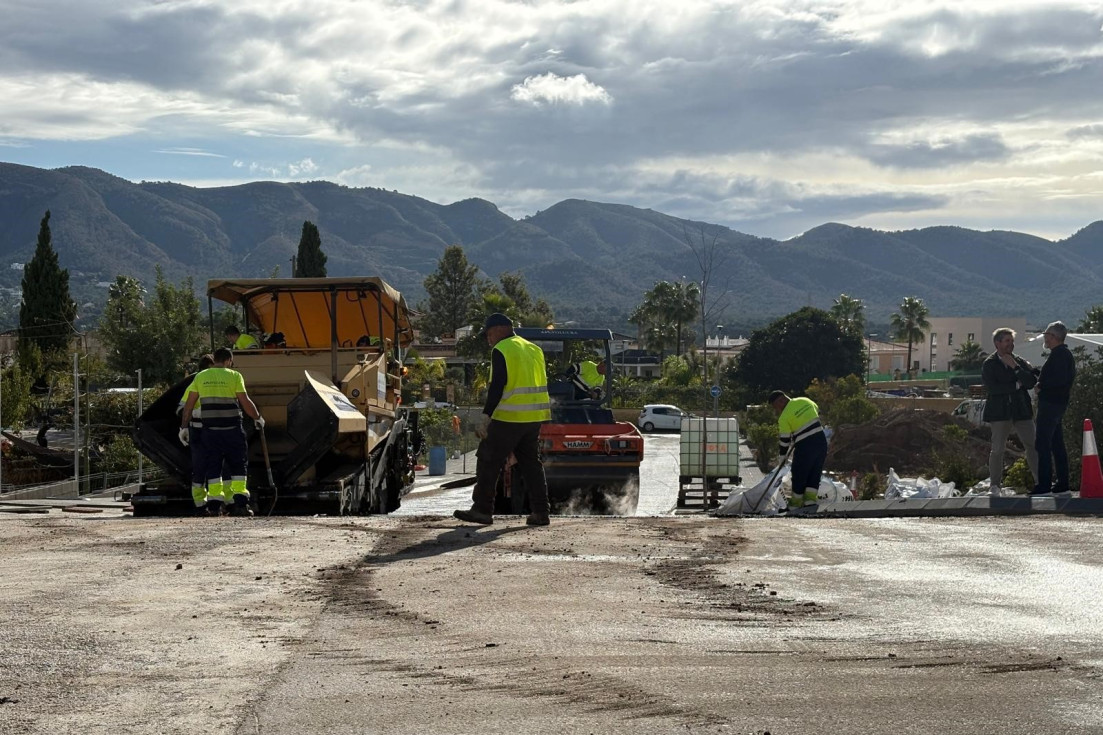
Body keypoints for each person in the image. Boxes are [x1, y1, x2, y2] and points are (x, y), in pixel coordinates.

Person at [454, 313, 552, 527]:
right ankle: (541, 512)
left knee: (488, 460)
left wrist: (486, 416)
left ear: (500, 329)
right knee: (531, 466)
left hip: (509, 417)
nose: (488, 339)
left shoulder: (502, 349)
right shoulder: (534, 349)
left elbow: (497, 385)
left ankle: (482, 509)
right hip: (534, 418)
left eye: (489, 334)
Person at [180, 347, 264, 517]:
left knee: (214, 468)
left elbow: (188, 406)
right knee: (238, 466)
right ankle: (240, 505)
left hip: (210, 432)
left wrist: (184, 427)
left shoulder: (200, 377)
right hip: (232, 430)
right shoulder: (234, 376)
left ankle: (213, 506)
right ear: (228, 361)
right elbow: (245, 401)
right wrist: (257, 417)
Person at [981, 328, 1039, 493]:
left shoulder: (1018, 361)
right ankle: (995, 485)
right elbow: (993, 388)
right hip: (999, 412)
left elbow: (1030, 381)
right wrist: (1015, 386)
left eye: (1012, 341)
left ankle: (1040, 481)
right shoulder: (989, 364)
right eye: (1007, 341)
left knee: (1033, 445)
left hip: (1021, 410)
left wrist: (1015, 368)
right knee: (998, 448)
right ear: (997, 343)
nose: (1010, 345)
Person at [1033, 321, 1076, 495]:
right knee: (1057, 444)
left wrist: (1041, 386)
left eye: (1047, 334)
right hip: (1057, 404)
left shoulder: (1059, 355)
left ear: (1054, 337)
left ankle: (1044, 484)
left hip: (1050, 404)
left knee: (1042, 443)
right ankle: (1062, 482)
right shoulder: (1063, 355)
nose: (1045, 337)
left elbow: (1058, 380)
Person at [768, 390, 828, 512]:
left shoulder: (784, 417)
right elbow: (817, 412)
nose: (777, 410)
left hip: (805, 446)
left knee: (799, 473)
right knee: (814, 473)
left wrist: (782, 457)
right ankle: (810, 502)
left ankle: (794, 505)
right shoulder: (805, 400)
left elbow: (784, 440)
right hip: (821, 443)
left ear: (780, 401)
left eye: (775, 407)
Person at [178, 354, 215, 514]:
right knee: (203, 467)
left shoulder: (202, 383)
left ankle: (212, 503)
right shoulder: (198, 383)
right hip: (200, 430)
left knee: (211, 467)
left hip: (204, 430)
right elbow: (181, 409)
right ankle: (202, 505)